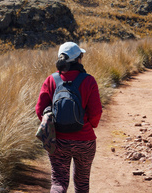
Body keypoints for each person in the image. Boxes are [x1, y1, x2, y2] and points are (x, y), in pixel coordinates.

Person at [35, 42, 102, 193]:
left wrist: (53, 127)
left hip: (58, 141)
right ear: (78, 59)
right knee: (82, 184)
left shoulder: (51, 80)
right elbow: (96, 113)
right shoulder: (89, 81)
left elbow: (40, 110)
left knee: (59, 182)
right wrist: (89, 125)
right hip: (85, 141)